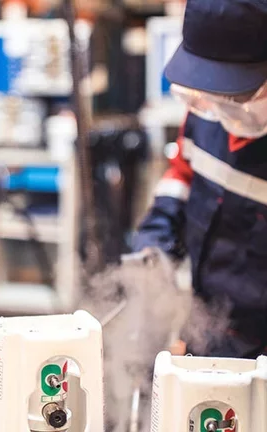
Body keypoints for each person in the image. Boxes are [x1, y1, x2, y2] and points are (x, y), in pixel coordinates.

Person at [133, 0, 267, 358]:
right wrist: (155, 241)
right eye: (211, 95)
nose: (221, 109)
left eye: (237, 96)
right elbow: (182, 176)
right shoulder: (206, 113)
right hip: (207, 332)